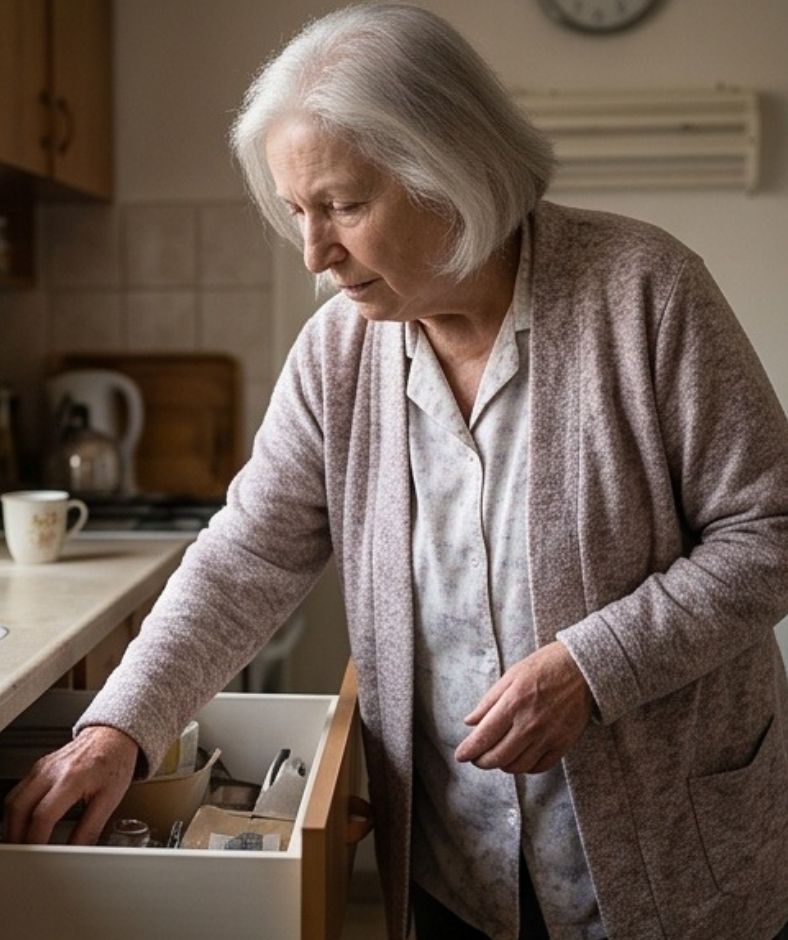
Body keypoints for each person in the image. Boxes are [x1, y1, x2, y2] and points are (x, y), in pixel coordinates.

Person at [4, 4, 788, 939]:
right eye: (298, 211)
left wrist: (590, 667)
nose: (314, 251)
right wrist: (117, 727)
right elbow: (245, 556)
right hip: (461, 874)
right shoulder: (337, 352)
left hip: (675, 862)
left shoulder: (643, 292)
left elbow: (769, 530)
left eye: (343, 205)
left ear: (450, 169)